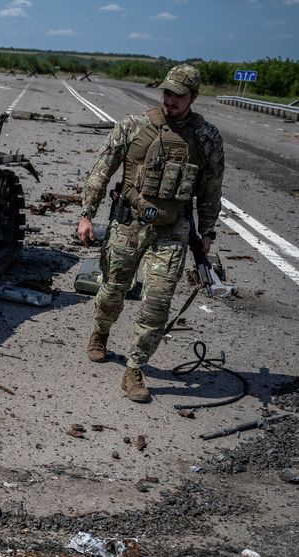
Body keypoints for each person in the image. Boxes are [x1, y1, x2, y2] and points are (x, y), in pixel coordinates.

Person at [77, 63, 224, 402]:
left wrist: (208, 232)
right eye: (167, 92)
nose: (170, 100)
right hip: (128, 225)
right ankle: (100, 333)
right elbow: (102, 170)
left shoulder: (206, 138)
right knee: (114, 290)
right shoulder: (132, 127)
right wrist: (87, 215)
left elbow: (211, 188)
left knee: (157, 304)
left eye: (178, 95)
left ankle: (135, 368)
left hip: (172, 230)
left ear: (194, 97)